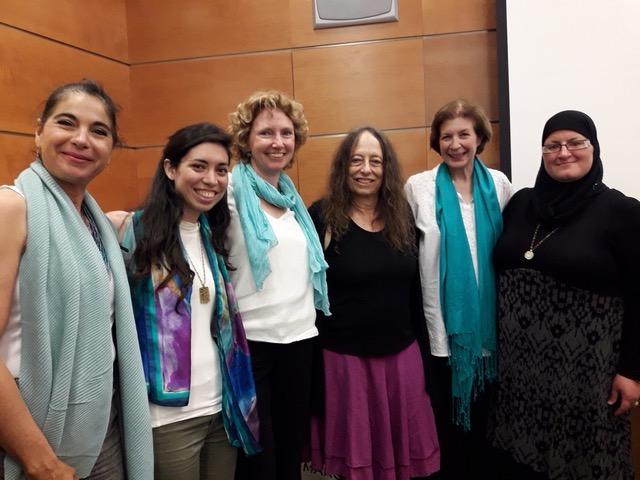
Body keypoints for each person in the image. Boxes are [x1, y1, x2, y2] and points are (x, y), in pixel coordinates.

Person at [0, 79, 153, 480]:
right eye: (66, 123)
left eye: (99, 131)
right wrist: (39, 460)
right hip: (31, 438)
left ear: (111, 151)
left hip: (100, 428)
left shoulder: (95, 225)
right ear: (38, 132)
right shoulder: (11, 208)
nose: (81, 140)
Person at [488, 110, 640, 480]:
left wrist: (632, 372)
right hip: (518, 372)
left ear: (594, 148)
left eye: (575, 143)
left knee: (583, 464)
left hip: (585, 377)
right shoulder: (522, 203)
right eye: (552, 145)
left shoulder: (622, 211)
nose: (564, 152)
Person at [107, 123, 260, 479]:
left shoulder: (213, 238)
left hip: (222, 409)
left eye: (221, 170)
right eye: (198, 166)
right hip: (167, 417)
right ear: (171, 168)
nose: (211, 179)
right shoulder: (130, 231)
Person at [307, 126, 441, 479]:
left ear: (386, 170)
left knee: (401, 461)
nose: (366, 169)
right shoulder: (321, 216)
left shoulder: (404, 218)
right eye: (357, 160)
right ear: (343, 167)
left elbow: (416, 292)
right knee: (357, 464)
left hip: (401, 357)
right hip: (344, 362)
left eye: (375, 161)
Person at [404, 99, 513, 479]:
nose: (455, 144)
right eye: (446, 136)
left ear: (479, 137)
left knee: (487, 432)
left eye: (464, 134)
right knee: (447, 433)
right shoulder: (418, 187)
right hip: (441, 333)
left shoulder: (499, 185)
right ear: (437, 141)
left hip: (491, 333)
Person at [227, 91, 330, 480]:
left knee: (290, 451)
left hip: (301, 340)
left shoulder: (292, 200)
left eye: (286, 133)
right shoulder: (230, 192)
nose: (278, 142)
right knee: (258, 460)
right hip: (254, 346)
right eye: (266, 132)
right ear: (247, 140)